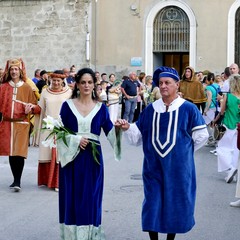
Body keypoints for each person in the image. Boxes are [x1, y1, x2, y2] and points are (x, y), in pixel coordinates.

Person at [115, 66, 209, 240]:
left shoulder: (188, 108)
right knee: (153, 203)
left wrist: (184, 153)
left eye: (168, 82)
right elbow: (139, 136)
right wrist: (128, 127)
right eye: (161, 83)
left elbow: (201, 135)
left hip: (179, 169)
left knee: (175, 202)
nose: (164, 86)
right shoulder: (151, 109)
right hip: (153, 167)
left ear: (177, 85)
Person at [58, 67, 121, 239]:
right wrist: (75, 140)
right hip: (71, 158)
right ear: (77, 84)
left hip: (93, 159)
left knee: (90, 197)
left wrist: (121, 129)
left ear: (95, 85)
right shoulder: (67, 106)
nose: (86, 85)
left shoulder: (101, 108)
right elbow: (59, 133)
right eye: (83, 82)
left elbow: (109, 131)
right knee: (71, 196)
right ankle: (72, 235)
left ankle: (89, 235)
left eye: (90, 82)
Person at [0, 58, 40, 191]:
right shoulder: (3, 87)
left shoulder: (27, 87)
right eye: (12, 69)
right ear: (9, 71)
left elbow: (37, 107)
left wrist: (31, 107)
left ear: (20, 71)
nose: (14, 71)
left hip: (22, 124)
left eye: (16, 69)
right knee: (11, 152)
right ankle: (14, 179)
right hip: (7, 124)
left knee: (19, 152)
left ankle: (18, 180)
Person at [33, 70, 72, 191]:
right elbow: (40, 108)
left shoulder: (69, 93)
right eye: (54, 80)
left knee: (61, 153)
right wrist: (31, 108)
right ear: (50, 80)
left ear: (62, 81)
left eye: (58, 80)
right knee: (48, 152)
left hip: (63, 126)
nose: (56, 82)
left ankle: (58, 182)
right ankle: (47, 180)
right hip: (48, 125)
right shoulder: (45, 92)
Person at [212, 74, 240, 185]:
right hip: (239, 126)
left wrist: (215, 120)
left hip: (228, 124)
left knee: (222, 148)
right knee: (236, 150)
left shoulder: (228, 96)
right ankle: (234, 170)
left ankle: (230, 168)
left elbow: (222, 111)